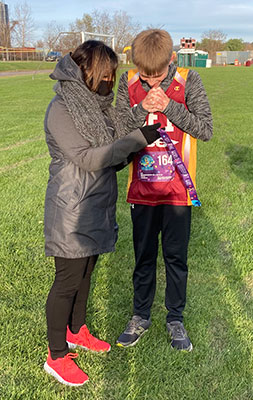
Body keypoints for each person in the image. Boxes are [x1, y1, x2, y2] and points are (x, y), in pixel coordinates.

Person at [43, 40, 161, 386]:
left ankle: (77, 330)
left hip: (97, 205)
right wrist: (136, 140)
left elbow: (112, 157)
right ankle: (56, 355)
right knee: (67, 282)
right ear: (86, 70)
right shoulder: (62, 108)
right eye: (105, 74)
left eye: (113, 74)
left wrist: (136, 145)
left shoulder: (98, 106)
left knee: (86, 274)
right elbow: (89, 158)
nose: (110, 81)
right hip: (71, 210)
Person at [115, 29, 213, 351]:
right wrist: (142, 106)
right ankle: (140, 316)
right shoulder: (128, 83)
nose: (152, 82)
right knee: (143, 257)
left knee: (175, 258)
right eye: (145, 75)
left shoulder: (189, 80)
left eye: (157, 75)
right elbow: (115, 129)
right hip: (141, 190)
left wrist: (169, 106)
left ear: (171, 60)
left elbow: (205, 129)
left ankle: (175, 320)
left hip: (177, 192)